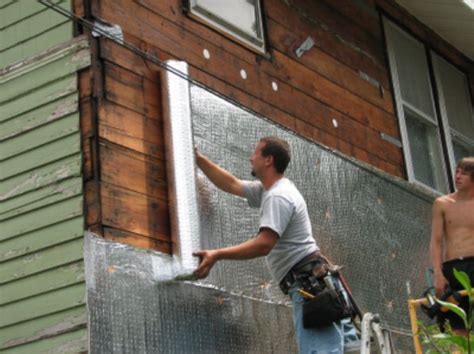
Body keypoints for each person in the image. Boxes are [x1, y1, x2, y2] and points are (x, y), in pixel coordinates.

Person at [193, 136, 358, 353]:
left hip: (309, 286)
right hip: (318, 284)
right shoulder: (269, 191)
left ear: (268, 160)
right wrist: (198, 159)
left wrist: (217, 254)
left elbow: (264, 244)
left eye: (255, 153)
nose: (251, 158)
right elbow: (232, 184)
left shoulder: (278, 196)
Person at [430, 157, 474, 334]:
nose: (458, 176)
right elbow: (435, 241)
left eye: (464, 173)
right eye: (457, 171)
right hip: (453, 268)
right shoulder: (442, 204)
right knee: (456, 326)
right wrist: (438, 274)